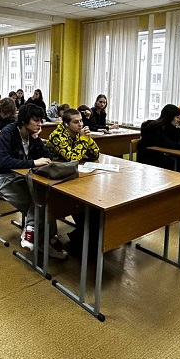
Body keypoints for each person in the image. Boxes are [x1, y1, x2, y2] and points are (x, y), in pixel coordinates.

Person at [0, 104, 67, 259]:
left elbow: (47, 156)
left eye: (41, 120)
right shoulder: (7, 133)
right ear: (24, 120)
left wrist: (37, 140)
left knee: (47, 195)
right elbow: (4, 162)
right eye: (36, 120)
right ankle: (47, 240)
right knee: (39, 202)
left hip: (24, 176)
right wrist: (33, 163)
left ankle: (32, 229)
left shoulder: (32, 135)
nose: (39, 124)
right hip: (2, 177)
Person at [45, 108, 100, 254]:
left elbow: (95, 154)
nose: (80, 124)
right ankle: (81, 237)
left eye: (81, 121)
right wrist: (83, 140)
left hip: (73, 175)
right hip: (56, 177)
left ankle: (84, 236)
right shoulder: (57, 135)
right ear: (66, 124)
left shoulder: (78, 134)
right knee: (78, 203)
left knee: (90, 203)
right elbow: (72, 158)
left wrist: (88, 138)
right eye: (76, 122)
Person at [137, 104, 180, 169]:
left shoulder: (169, 128)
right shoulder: (155, 128)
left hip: (159, 158)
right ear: (170, 117)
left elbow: (179, 142)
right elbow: (170, 144)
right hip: (149, 160)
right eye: (177, 117)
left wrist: (177, 130)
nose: (178, 120)